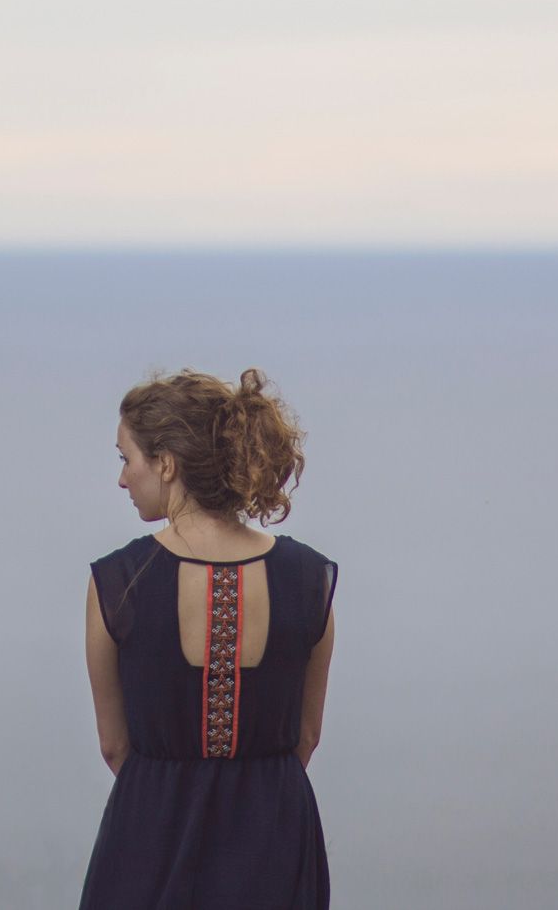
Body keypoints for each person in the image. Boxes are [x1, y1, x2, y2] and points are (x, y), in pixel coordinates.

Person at [79, 367, 338, 910]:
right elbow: (306, 736)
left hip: (149, 834)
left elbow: (114, 745)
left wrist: (172, 792)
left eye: (127, 459)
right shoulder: (310, 579)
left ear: (167, 464)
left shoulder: (117, 583)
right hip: (276, 835)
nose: (122, 479)